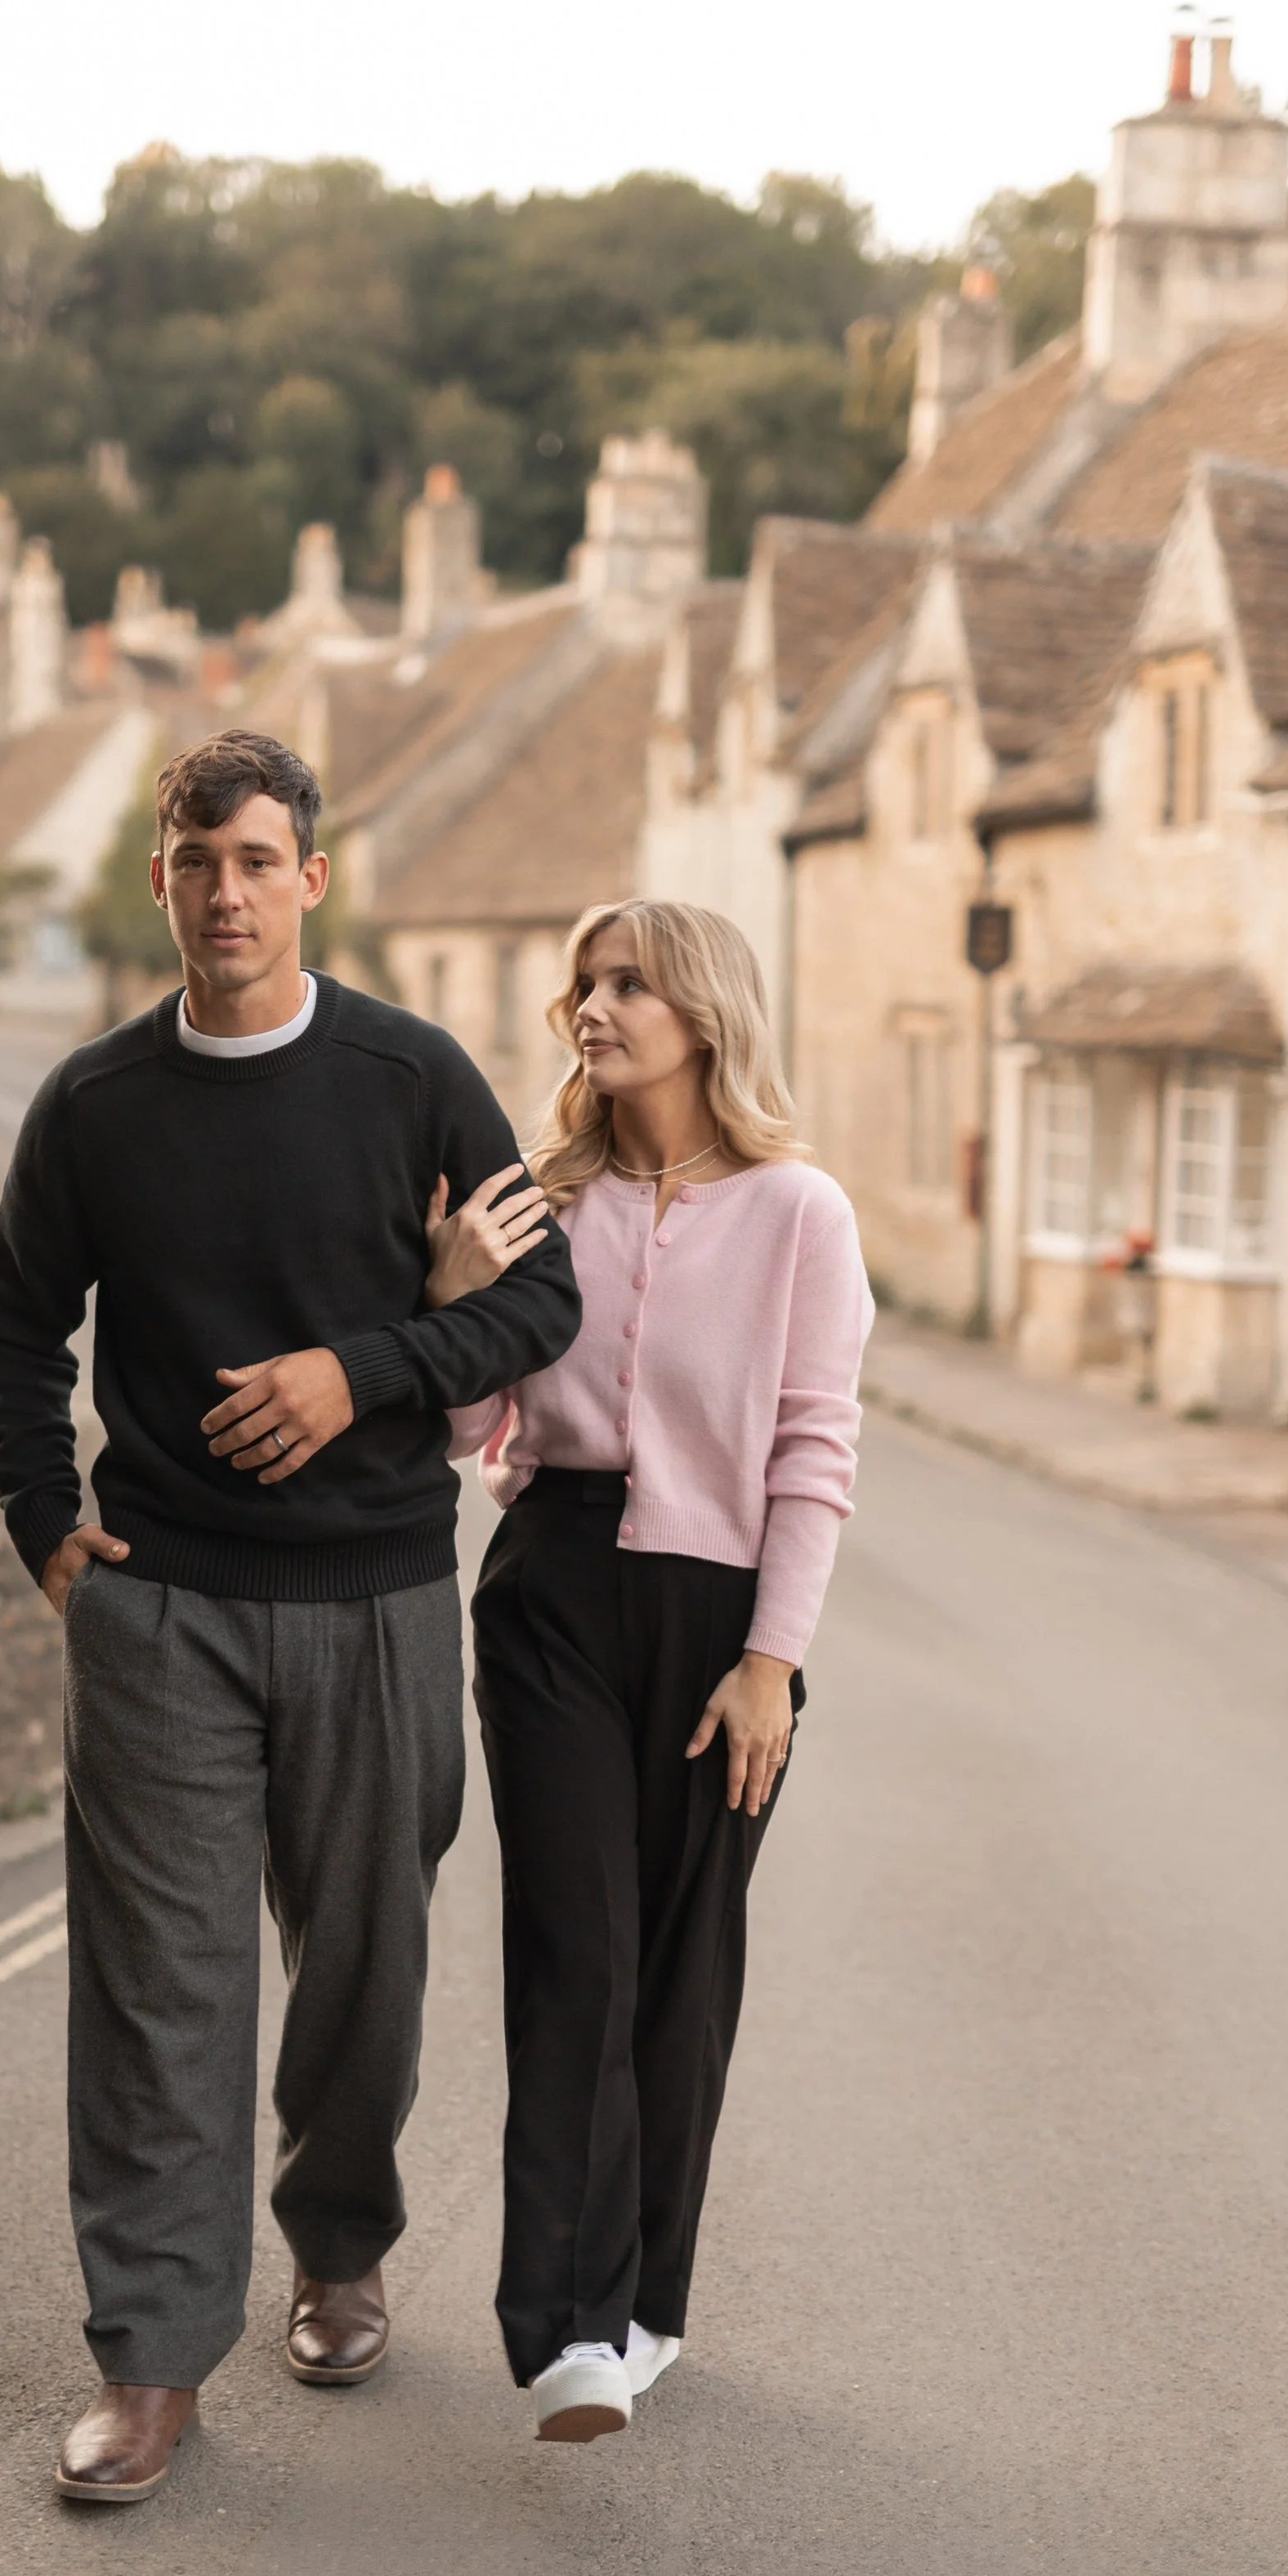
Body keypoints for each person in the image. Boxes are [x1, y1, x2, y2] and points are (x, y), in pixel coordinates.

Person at [0, 729, 580, 2502]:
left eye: (254, 859)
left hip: (376, 1601)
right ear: (155, 880)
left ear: (309, 878)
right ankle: (152, 2361)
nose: (223, 892)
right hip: (161, 1613)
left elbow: (535, 1301)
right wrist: (43, 1527)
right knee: (161, 1995)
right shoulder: (91, 1103)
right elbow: (20, 1329)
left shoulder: (416, 1079)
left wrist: (357, 1371)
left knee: (364, 1979)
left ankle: (338, 2236)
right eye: (192, 860)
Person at [439, 898, 870, 2443]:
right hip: (550, 1588)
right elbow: (457, 1433)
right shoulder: (536, 1201)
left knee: (683, 1967)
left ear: (703, 1011)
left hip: (720, 1618)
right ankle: (564, 2329)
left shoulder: (799, 1212)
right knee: (579, 1948)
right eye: (583, 984)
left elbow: (815, 1448)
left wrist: (775, 1661)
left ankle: (647, 2308)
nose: (593, 1008)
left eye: (628, 983)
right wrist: (448, 1299)